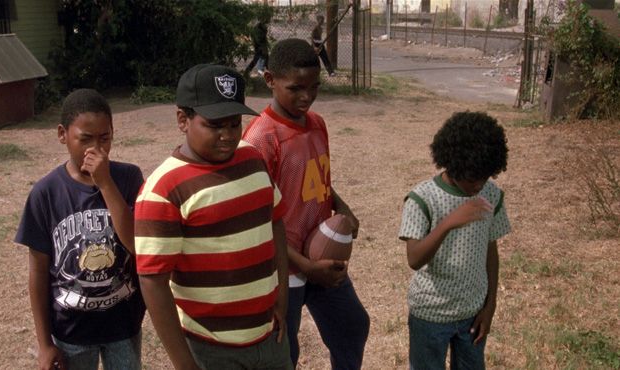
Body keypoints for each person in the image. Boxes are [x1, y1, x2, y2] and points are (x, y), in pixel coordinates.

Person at [134, 64, 292, 370]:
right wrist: (184, 364)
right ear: (183, 119)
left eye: (235, 124)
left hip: (269, 336)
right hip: (209, 348)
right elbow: (153, 282)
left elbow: (275, 225)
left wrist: (281, 299)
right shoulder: (163, 190)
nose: (228, 135)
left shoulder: (253, 160)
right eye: (215, 124)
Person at [243, 38, 370, 369]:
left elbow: (315, 178)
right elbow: (258, 218)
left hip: (320, 255)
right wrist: (305, 266)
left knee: (352, 325)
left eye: (314, 87)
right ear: (269, 79)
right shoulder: (260, 138)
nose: (306, 97)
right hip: (287, 266)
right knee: (286, 348)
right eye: (295, 88)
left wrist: (342, 206)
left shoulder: (316, 123)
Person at [15, 89, 146, 370]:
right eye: (85, 139)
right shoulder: (45, 193)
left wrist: (106, 183)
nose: (96, 149)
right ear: (63, 134)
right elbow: (38, 271)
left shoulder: (129, 178)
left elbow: (137, 245)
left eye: (104, 138)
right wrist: (44, 344)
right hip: (70, 331)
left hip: (123, 324)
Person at [397, 111, 511, 370]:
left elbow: (490, 251)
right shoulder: (422, 199)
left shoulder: (491, 195)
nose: (479, 185)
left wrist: (490, 304)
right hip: (430, 316)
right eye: (472, 179)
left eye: (486, 177)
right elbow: (414, 259)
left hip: (473, 314)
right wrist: (449, 222)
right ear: (452, 164)